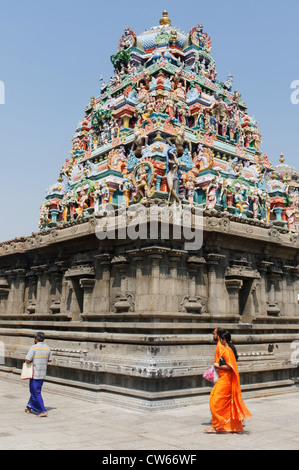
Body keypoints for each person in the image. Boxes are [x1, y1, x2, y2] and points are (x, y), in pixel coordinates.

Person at [205, 330, 251, 434]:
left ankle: (217, 425)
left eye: (220, 339)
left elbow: (230, 367)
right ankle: (229, 426)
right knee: (223, 404)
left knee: (215, 402)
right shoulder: (227, 350)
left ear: (224, 340)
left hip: (226, 380)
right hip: (223, 379)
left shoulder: (227, 351)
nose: (219, 341)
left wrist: (218, 366)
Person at [25, 332, 52, 417]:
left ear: (36, 339)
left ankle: (43, 410)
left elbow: (28, 360)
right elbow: (50, 360)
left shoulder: (34, 347)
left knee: (35, 392)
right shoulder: (47, 348)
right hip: (42, 373)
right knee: (35, 391)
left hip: (34, 373)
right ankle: (29, 407)